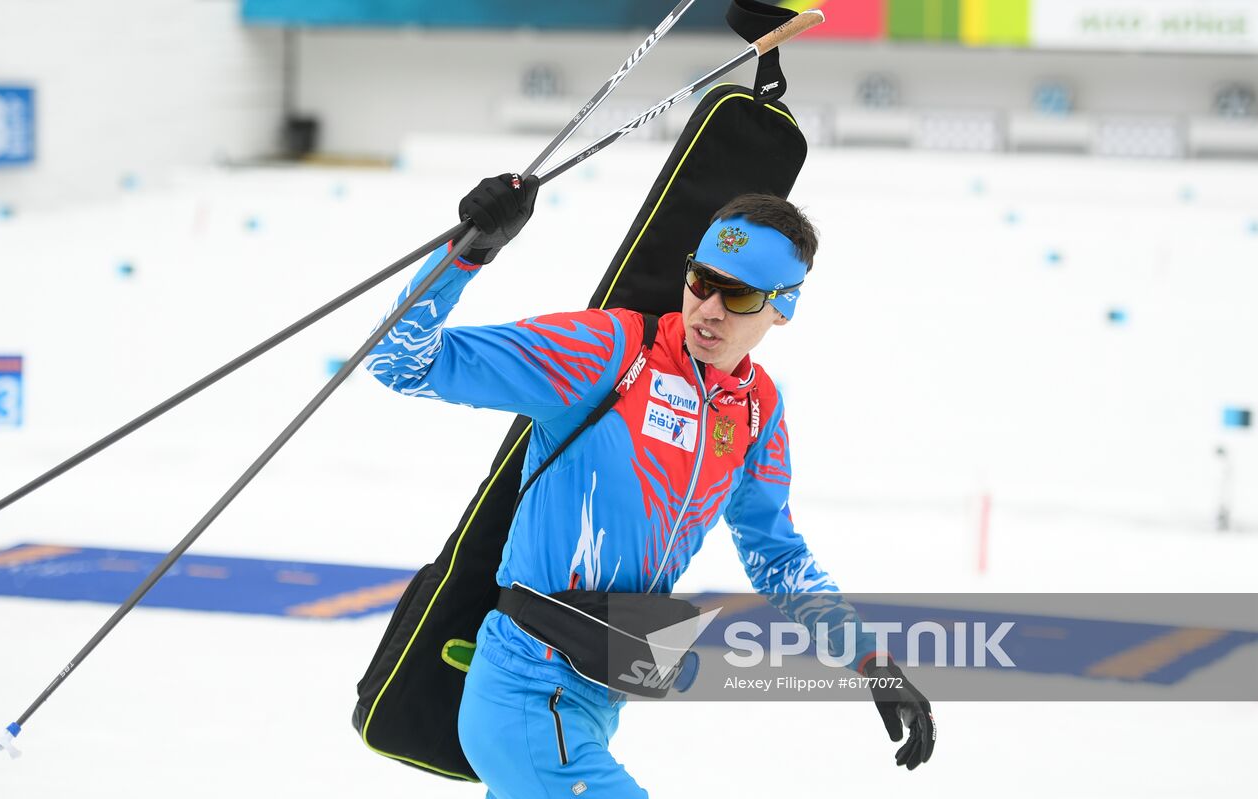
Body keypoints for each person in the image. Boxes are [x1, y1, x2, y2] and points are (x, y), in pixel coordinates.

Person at [366, 174, 935, 798]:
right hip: (525, 691)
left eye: (740, 297)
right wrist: (467, 253)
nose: (709, 309)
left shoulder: (754, 413)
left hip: (594, 701)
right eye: (702, 282)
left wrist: (871, 662)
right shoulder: (610, 350)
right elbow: (400, 360)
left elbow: (778, 558)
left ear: (784, 307)